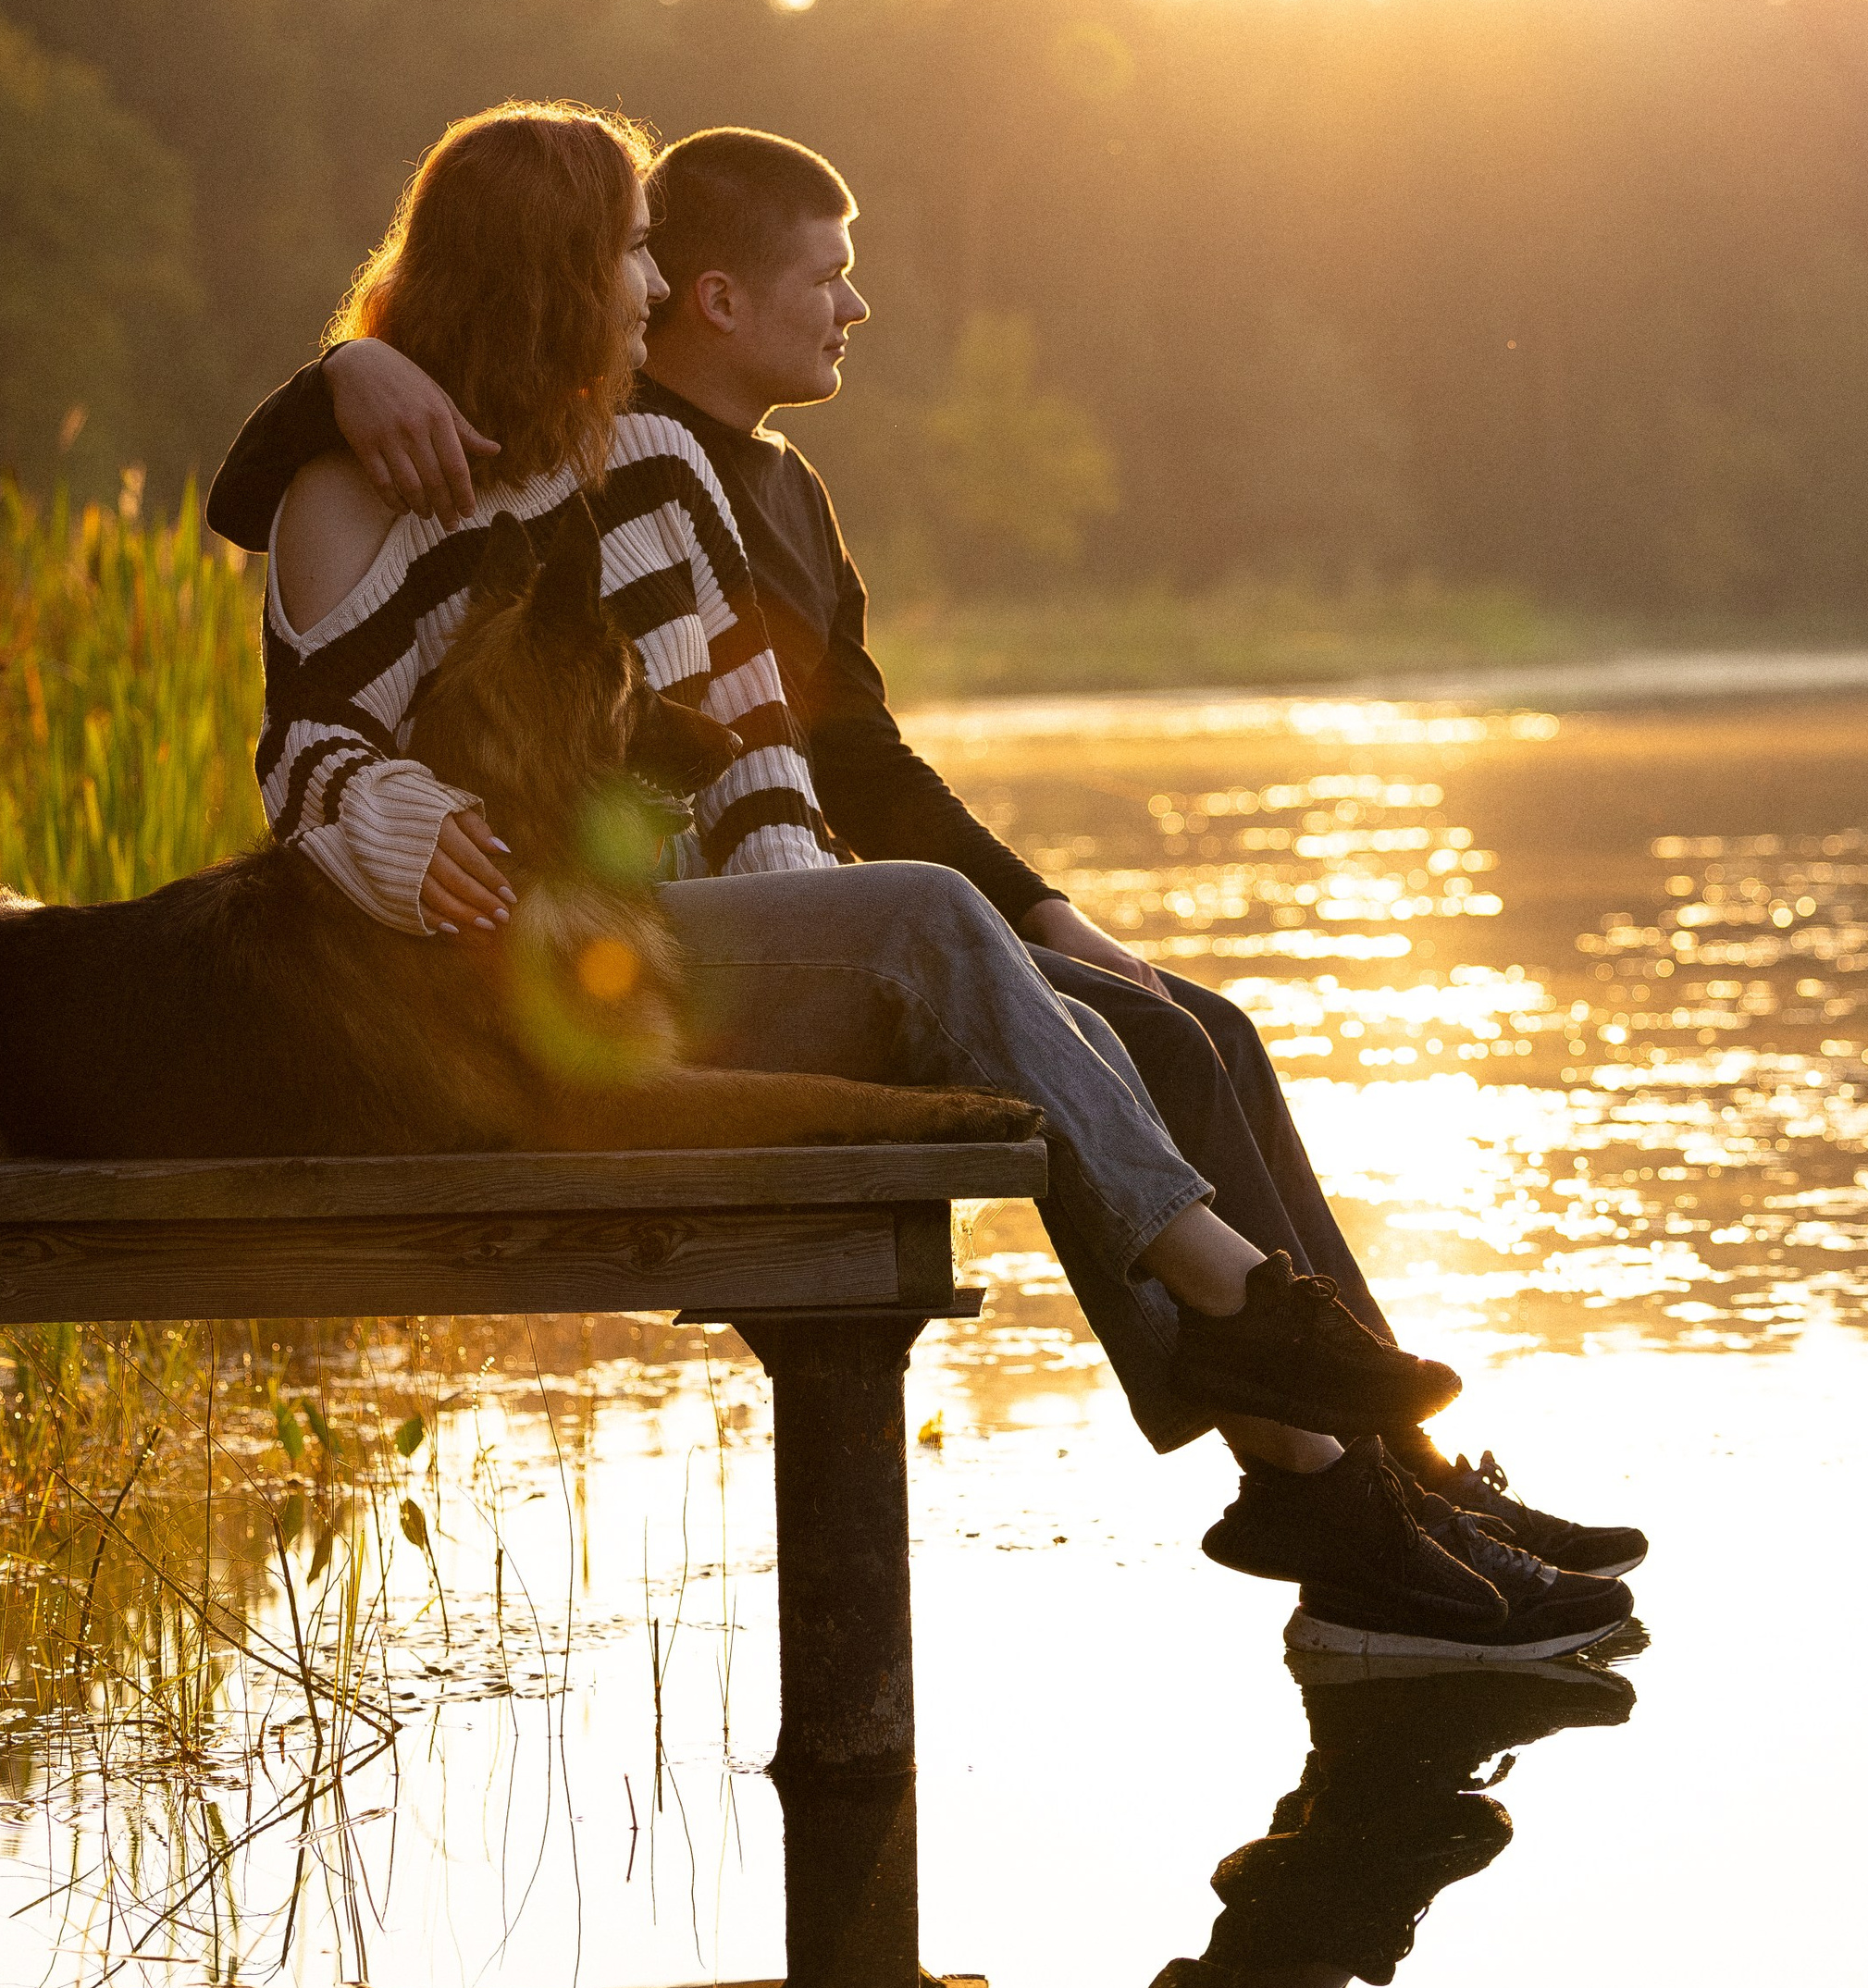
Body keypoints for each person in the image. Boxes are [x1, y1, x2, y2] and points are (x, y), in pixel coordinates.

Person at [211, 111, 1641, 1651]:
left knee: (1175, 1019)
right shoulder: (399, 478)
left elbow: (772, 757)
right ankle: (1293, 1399)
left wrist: (828, 933)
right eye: (632, 248)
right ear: (552, 270)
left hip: (701, 938)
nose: (656, 275)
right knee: (961, 932)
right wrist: (338, 384)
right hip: (517, 979)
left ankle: (1360, 1478)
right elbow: (313, 749)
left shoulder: (640, 464)